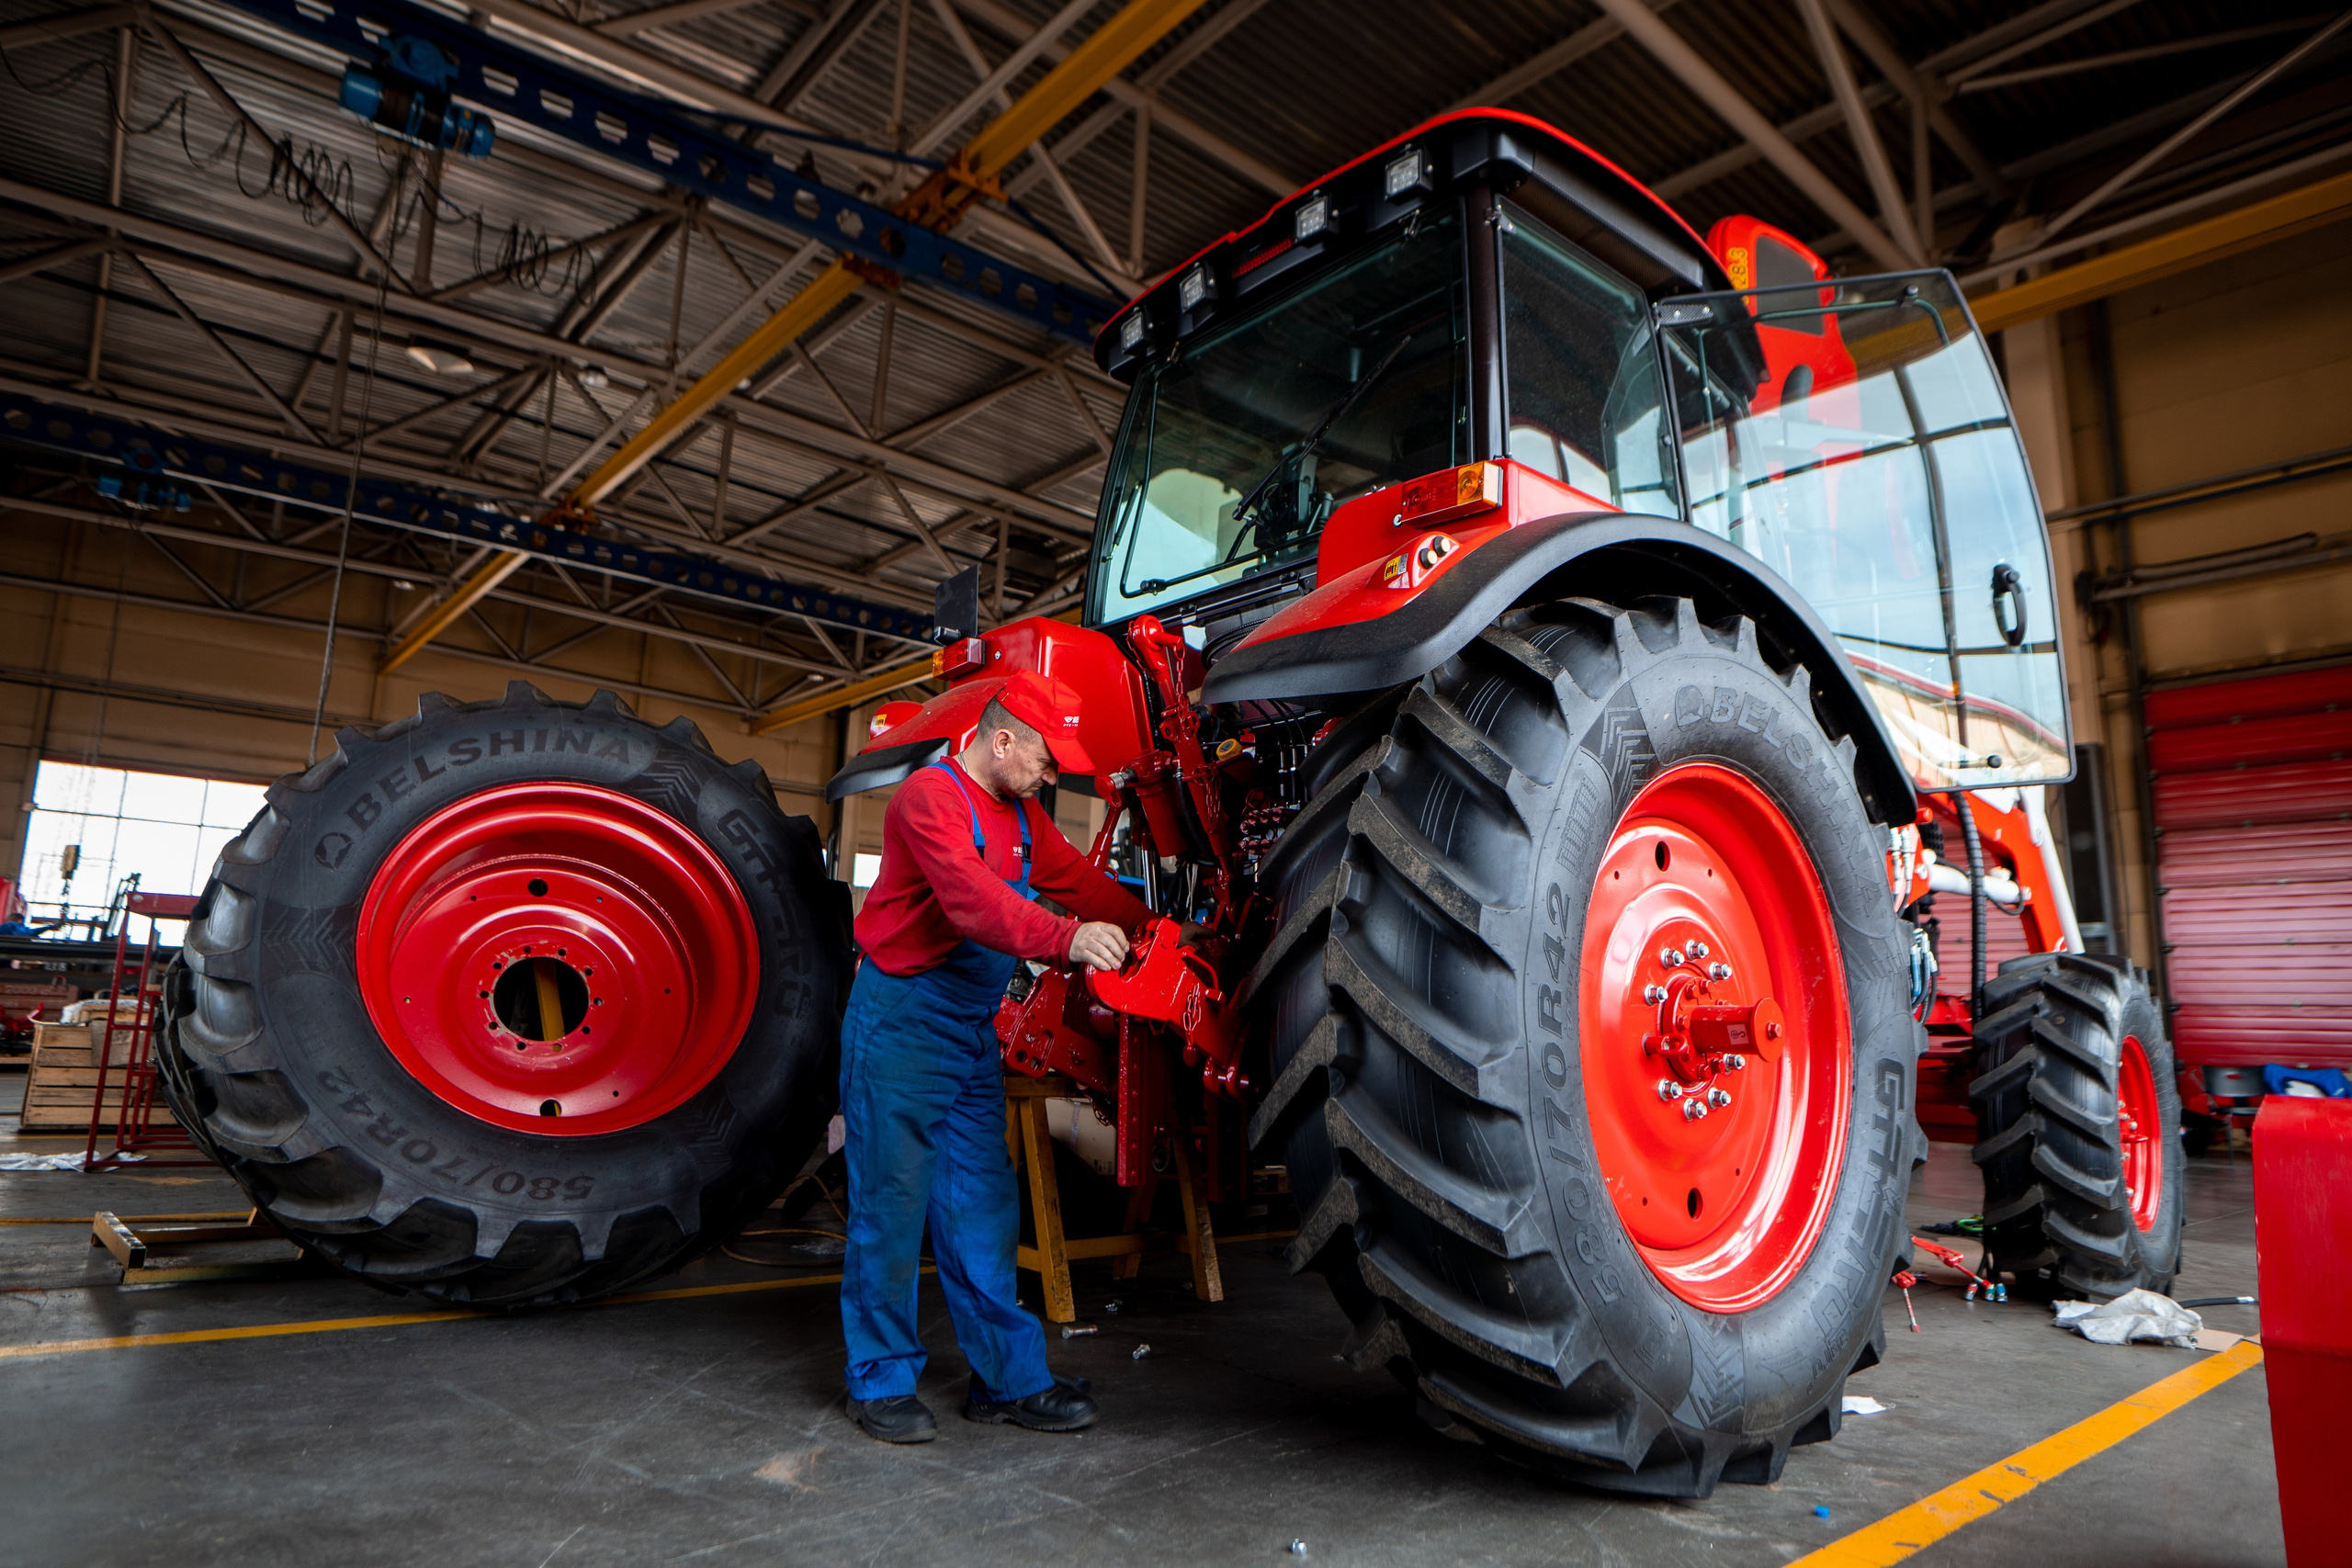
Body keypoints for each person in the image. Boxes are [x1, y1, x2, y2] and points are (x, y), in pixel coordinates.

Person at [838, 668, 1156, 1445]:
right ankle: (880, 1382)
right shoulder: (931, 798)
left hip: (970, 1032)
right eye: (1047, 761)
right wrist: (1066, 939)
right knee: (891, 1203)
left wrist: (1157, 934)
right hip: (902, 1025)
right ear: (1003, 738)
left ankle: (1008, 1381)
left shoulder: (1023, 816)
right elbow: (971, 902)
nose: (1052, 776)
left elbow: (1080, 882)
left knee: (980, 1206)